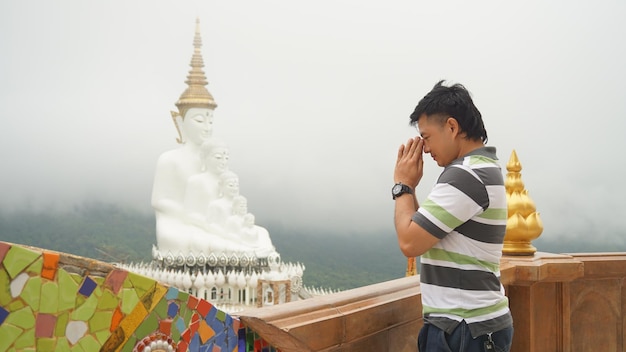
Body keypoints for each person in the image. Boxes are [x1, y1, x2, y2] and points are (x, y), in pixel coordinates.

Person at [392, 80, 513, 352]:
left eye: (426, 137)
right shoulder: (481, 168)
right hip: (473, 325)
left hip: (465, 328)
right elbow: (425, 232)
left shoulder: (465, 175)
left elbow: (410, 243)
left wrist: (402, 185)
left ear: (451, 127)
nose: (424, 147)